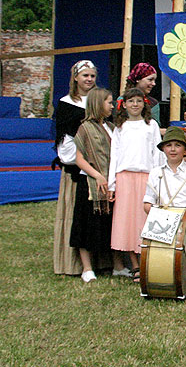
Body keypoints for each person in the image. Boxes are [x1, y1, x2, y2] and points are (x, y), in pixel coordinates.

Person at [53, 60, 112, 276]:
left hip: (101, 171)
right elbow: (66, 143)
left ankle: (103, 261)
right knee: (78, 218)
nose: (89, 79)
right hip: (78, 170)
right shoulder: (67, 104)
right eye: (85, 75)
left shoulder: (99, 103)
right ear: (75, 78)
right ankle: (76, 264)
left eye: (92, 76)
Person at [143, 126, 186, 288]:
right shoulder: (155, 173)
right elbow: (147, 203)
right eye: (169, 145)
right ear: (163, 149)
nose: (173, 149)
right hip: (164, 226)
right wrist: (157, 215)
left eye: (178, 145)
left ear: (185, 149)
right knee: (163, 277)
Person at [108, 87, 162, 282]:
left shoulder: (151, 125)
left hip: (146, 177)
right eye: (131, 101)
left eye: (139, 101)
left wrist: (157, 179)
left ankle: (148, 261)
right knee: (127, 221)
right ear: (124, 104)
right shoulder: (120, 127)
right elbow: (114, 156)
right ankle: (135, 264)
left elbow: (157, 153)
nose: (135, 105)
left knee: (144, 219)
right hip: (125, 178)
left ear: (144, 104)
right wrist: (112, 184)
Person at [72, 88, 120, 282]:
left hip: (110, 183)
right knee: (87, 225)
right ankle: (87, 268)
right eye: (109, 102)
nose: (112, 106)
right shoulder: (84, 128)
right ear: (98, 104)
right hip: (91, 184)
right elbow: (79, 158)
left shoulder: (110, 126)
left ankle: (118, 265)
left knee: (111, 225)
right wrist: (97, 175)